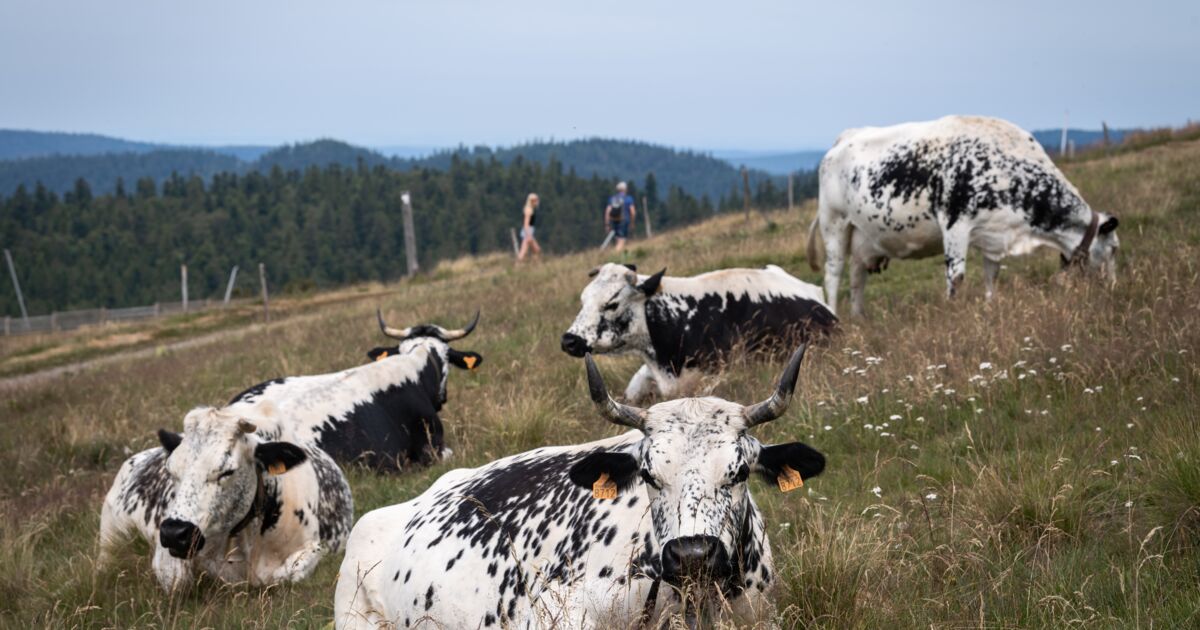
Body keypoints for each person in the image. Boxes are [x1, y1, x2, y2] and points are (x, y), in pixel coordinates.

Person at [604, 181, 636, 252]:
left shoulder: (612, 199)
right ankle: (615, 255)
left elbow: (607, 211)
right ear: (625, 189)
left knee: (618, 239)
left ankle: (618, 254)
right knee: (622, 240)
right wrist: (632, 222)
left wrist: (607, 224)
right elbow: (633, 212)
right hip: (624, 220)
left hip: (615, 220)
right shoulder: (628, 199)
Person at [517, 193, 542, 262]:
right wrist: (528, 235)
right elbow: (526, 224)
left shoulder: (530, 209)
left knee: (536, 250)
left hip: (528, 232)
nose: (537, 202)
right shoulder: (529, 210)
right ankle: (517, 265)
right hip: (528, 233)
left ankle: (535, 263)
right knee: (524, 251)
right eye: (535, 200)